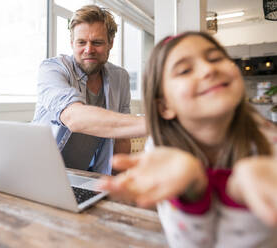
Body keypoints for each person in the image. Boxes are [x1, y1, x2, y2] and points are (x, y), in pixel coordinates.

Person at [99, 31, 277, 247]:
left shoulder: (270, 144)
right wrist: (194, 188)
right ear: (164, 106)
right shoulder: (163, 154)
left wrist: (239, 186)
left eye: (216, 59)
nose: (208, 69)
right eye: (185, 70)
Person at [32, 5, 145, 175]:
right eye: (81, 42)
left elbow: (122, 139)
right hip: (40, 173)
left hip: (85, 176)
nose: (88, 50)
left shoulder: (120, 77)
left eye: (97, 42)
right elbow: (74, 118)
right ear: (72, 43)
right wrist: (157, 124)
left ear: (111, 43)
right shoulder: (52, 69)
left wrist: (116, 184)